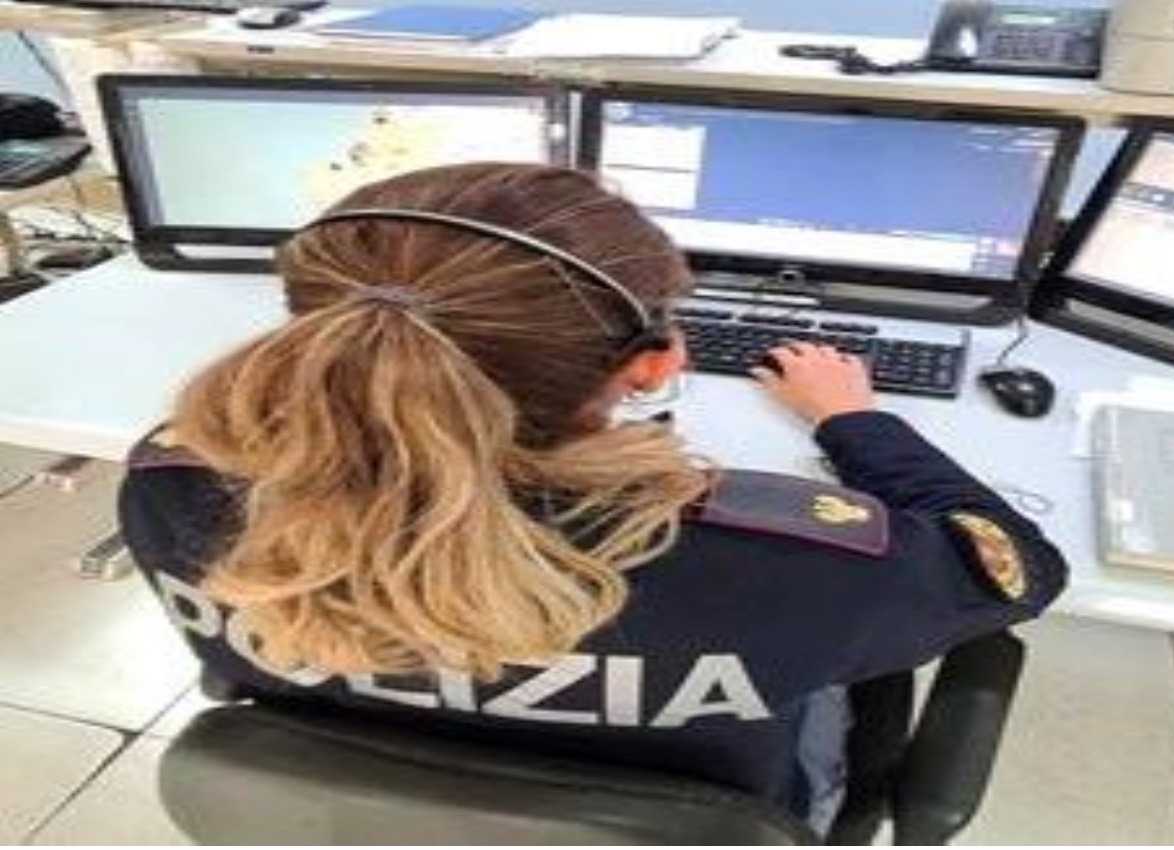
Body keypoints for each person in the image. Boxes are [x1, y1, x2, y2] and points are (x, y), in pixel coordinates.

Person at [119, 161, 1068, 831]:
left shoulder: (176, 489)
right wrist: (854, 421)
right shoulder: (794, 566)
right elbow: (1019, 565)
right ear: (653, 364)